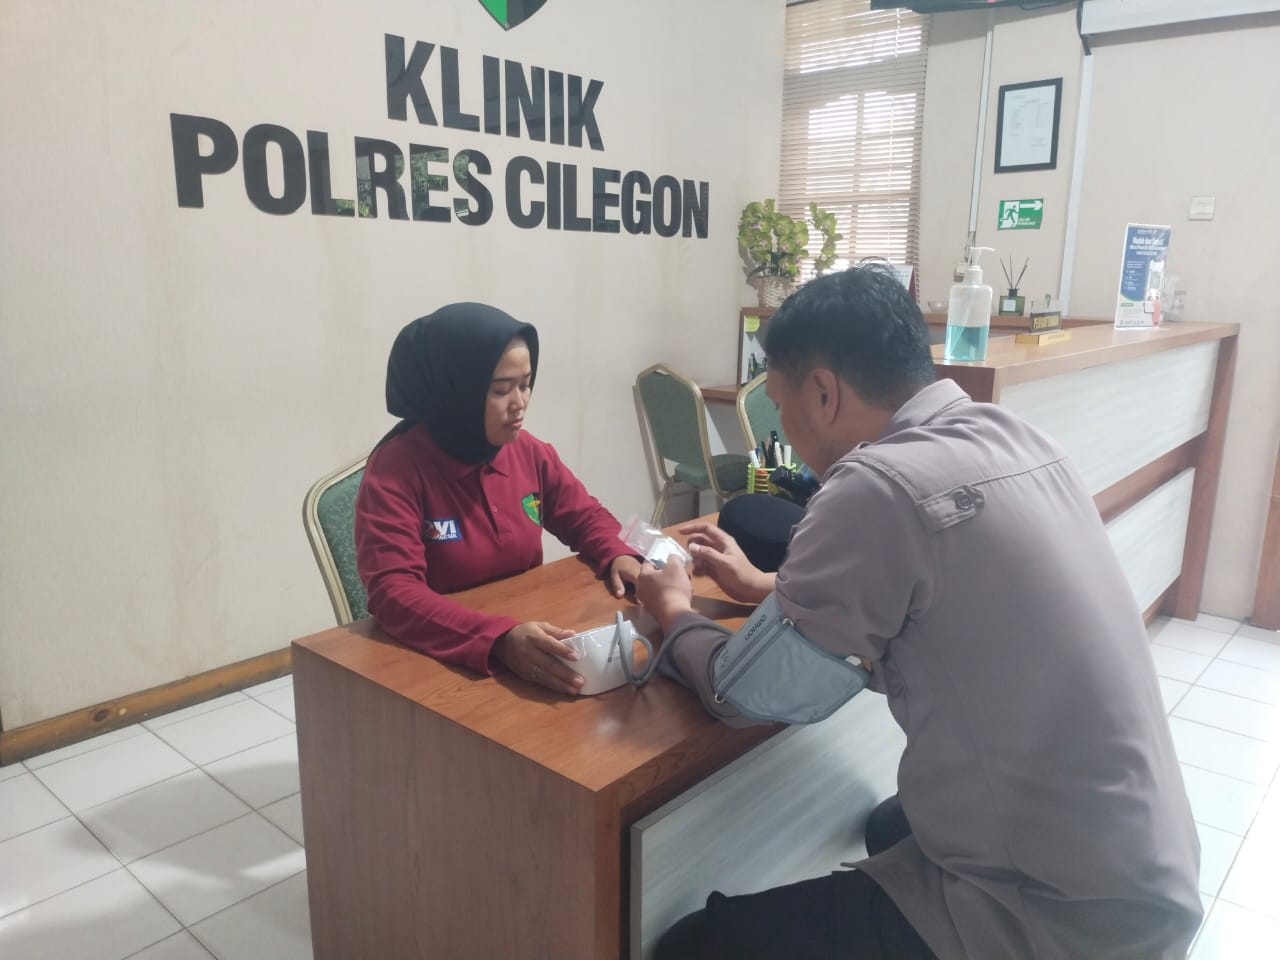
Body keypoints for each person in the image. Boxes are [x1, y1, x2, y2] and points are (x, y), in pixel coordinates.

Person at [635, 267, 1202, 960]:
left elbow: (746, 694)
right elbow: (940, 606)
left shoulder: (877, 484)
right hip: (1144, 870)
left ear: (823, 393)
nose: (784, 431)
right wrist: (766, 587)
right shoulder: (1021, 440)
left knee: (694, 947)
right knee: (889, 827)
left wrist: (672, 610)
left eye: (781, 408)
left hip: (1054, 916)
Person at [355, 302, 643, 695]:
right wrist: (498, 639)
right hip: (441, 661)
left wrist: (618, 553)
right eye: (501, 390)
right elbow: (393, 593)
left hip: (525, 640)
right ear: (457, 391)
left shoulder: (527, 451)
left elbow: (584, 516)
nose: (520, 403)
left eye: (526, 384)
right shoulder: (396, 470)